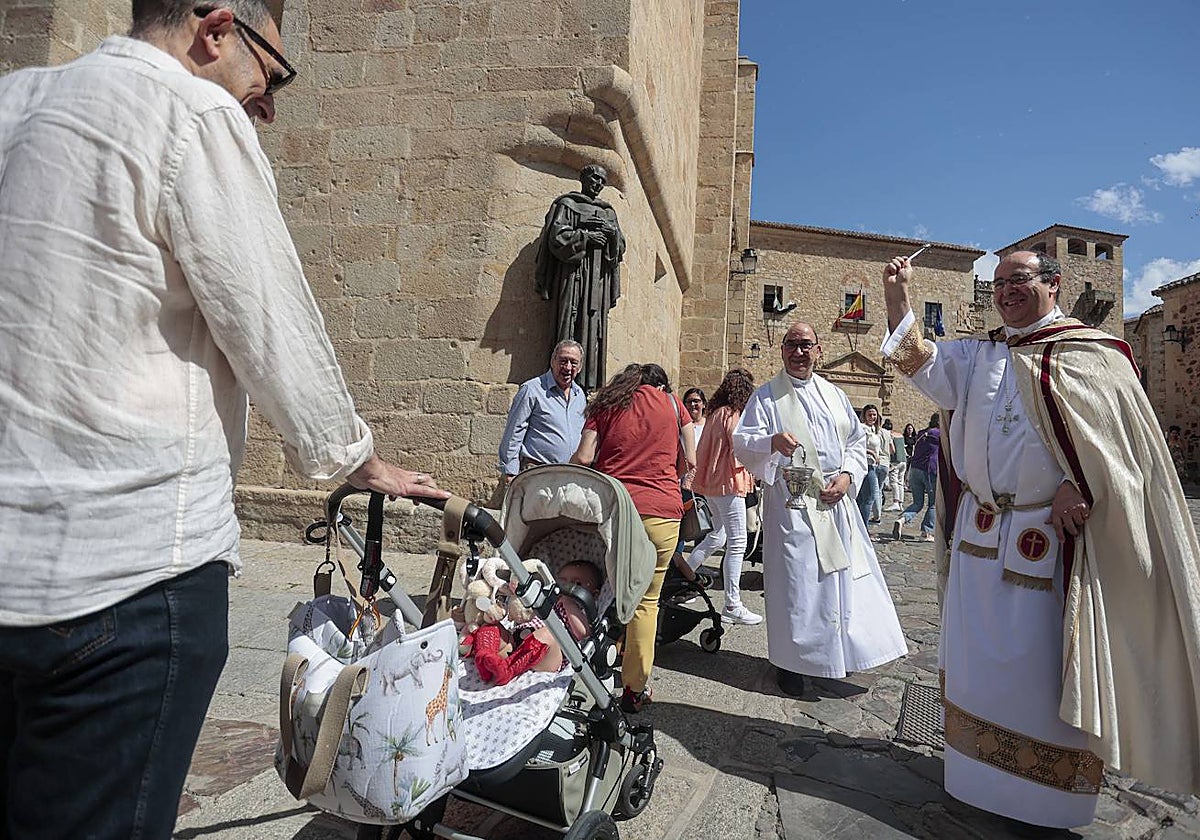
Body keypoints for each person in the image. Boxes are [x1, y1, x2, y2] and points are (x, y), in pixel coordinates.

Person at [0, 3, 450, 837]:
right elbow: (269, 320)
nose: (268, 105)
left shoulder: (15, 100)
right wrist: (355, 458)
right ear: (216, 30)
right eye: (273, 74)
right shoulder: (194, 111)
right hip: (128, 577)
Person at [881, 250, 1200, 830]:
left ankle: (1044, 801)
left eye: (1019, 280)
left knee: (1039, 673)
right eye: (998, 281)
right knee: (978, 668)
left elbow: (1120, 449)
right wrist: (899, 295)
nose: (1005, 290)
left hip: (1048, 544)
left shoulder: (1091, 356)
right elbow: (919, 362)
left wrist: (1082, 483)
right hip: (979, 538)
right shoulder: (980, 355)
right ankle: (978, 781)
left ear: (1053, 284)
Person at [732, 323, 907, 697]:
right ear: (782, 350)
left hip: (834, 501)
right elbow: (742, 443)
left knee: (837, 584)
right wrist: (771, 441)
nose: (798, 352)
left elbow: (855, 442)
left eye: (805, 345)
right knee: (797, 586)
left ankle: (832, 656)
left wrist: (847, 476)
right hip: (792, 507)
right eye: (791, 345)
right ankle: (790, 663)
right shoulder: (766, 397)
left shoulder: (835, 395)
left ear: (818, 349)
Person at [571, 363, 695, 713]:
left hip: (615, 510)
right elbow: (690, 457)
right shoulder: (673, 404)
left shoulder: (606, 404)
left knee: (596, 589)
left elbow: (584, 457)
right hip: (662, 512)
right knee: (646, 602)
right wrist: (670, 475)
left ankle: (578, 669)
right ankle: (633, 690)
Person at [534, 164, 626, 392]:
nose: (598, 184)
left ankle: (589, 384)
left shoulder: (608, 212)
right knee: (568, 320)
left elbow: (619, 249)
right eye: (594, 178)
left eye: (602, 181)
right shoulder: (568, 204)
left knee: (594, 327)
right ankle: (559, 378)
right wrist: (586, 236)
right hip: (573, 275)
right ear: (584, 179)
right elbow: (557, 237)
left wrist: (612, 233)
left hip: (598, 281)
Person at [685, 368, 762, 625]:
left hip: (712, 485)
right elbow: (741, 447)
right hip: (729, 484)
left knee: (717, 536)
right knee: (738, 542)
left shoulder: (715, 413)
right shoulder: (733, 414)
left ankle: (683, 579)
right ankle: (732, 604)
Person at [497, 340, 586, 481]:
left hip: (570, 476)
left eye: (574, 363)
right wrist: (510, 472)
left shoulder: (579, 395)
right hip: (538, 474)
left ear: (580, 367)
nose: (568, 367)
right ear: (553, 361)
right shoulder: (531, 389)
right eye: (563, 361)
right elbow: (514, 431)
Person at [892, 414, 939, 542]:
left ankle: (902, 519)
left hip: (914, 469)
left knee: (917, 502)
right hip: (930, 470)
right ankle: (926, 532)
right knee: (933, 504)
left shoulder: (921, 433)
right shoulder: (939, 434)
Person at [854, 404, 886, 525]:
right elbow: (857, 445)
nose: (872, 417)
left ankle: (858, 526)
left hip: (872, 465)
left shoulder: (874, 430)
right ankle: (864, 527)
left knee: (862, 498)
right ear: (865, 416)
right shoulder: (863, 428)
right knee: (870, 497)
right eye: (870, 415)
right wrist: (871, 453)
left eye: (874, 415)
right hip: (866, 465)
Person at [885, 419, 907, 511]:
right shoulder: (900, 435)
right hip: (903, 460)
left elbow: (892, 450)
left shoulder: (889, 435)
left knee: (894, 482)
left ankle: (895, 502)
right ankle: (901, 503)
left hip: (895, 461)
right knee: (900, 482)